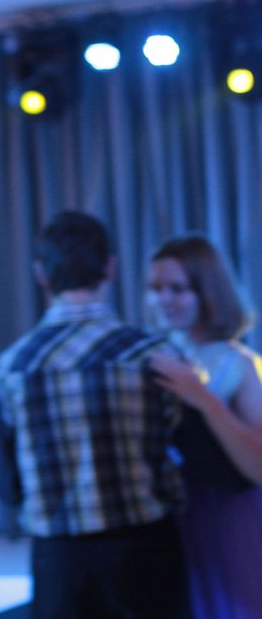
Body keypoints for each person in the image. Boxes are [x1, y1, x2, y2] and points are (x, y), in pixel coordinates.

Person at [0, 211, 189, 619]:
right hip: (145, 546)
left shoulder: (12, 366)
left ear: (41, 274)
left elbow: (2, 477)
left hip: (59, 557)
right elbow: (186, 446)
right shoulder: (153, 355)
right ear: (110, 268)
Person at [145, 235, 262, 619]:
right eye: (155, 289)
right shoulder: (152, 357)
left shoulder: (238, 363)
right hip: (168, 523)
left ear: (207, 291)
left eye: (177, 288)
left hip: (228, 520)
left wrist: (202, 398)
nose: (163, 299)